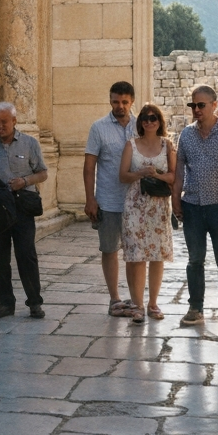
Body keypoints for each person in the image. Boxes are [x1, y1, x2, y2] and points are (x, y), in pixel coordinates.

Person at [173, 84, 218, 327]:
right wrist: (175, 200)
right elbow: (179, 172)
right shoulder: (186, 135)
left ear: (214, 105)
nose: (196, 110)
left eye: (201, 105)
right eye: (193, 105)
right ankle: (195, 308)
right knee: (195, 260)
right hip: (192, 204)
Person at [0, 102, 48, 319]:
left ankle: (34, 302)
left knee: (26, 255)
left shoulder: (29, 144)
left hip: (22, 207)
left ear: (14, 121)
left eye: (4, 122)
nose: (0, 126)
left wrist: (24, 181)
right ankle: (6, 304)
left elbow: (43, 173)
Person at [118, 102, 176, 323]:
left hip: (158, 206)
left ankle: (153, 303)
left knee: (157, 256)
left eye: (153, 118)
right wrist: (140, 173)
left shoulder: (167, 145)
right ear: (140, 122)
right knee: (137, 256)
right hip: (135, 205)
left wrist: (157, 175)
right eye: (145, 118)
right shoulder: (131, 145)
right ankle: (138, 305)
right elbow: (122, 176)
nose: (149, 121)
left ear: (160, 121)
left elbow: (173, 177)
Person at [84, 81, 137, 317]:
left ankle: (136, 298)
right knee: (109, 250)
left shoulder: (142, 125)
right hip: (108, 199)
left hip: (136, 201)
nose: (120, 106)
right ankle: (114, 298)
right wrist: (90, 199)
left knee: (135, 252)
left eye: (125, 102)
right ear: (110, 100)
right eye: (116, 101)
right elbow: (89, 166)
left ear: (132, 102)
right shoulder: (98, 128)